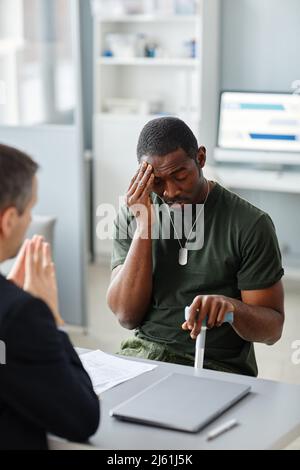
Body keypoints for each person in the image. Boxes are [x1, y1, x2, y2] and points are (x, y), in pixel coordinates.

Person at [107, 117, 285, 377]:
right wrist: (144, 227)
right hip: (143, 355)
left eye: (180, 176)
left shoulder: (250, 224)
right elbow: (126, 315)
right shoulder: (135, 214)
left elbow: (272, 330)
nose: (170, 192)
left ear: (200, 158)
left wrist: (232, 309)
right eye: (157, 182)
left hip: (215, 367)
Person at [0, 144, 100, 450]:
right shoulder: (21, 315)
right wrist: (52, 318)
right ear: (8, 221)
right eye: (31, 209)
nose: (31, 220)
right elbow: (81, 418)